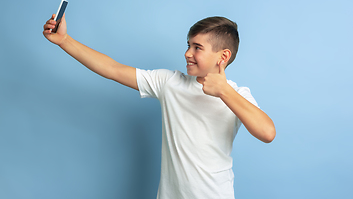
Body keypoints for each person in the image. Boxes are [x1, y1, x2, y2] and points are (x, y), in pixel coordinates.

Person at [43, 13, 276, 199]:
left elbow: (267, 133)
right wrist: (64, 40)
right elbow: (112, 69)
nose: (187, 53)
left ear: (222, 56)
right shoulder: (170, 83)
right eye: (188, 45)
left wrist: (223, 91)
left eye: (197, 47)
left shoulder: (237, 95)